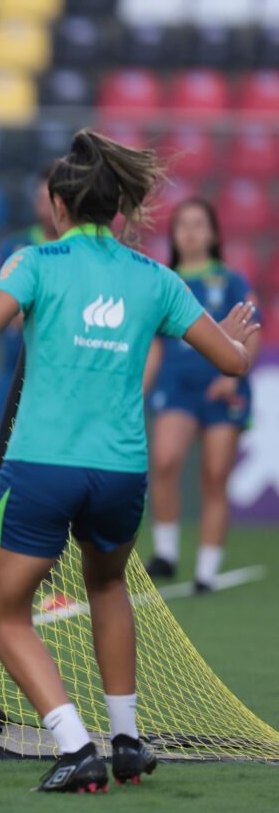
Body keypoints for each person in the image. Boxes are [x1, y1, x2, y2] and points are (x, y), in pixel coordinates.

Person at [0, 130, 258, 792]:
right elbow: (233, 362)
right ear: (118, 210)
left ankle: (74, 744)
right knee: (107, 586)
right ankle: (126, 738)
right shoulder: (157, 278)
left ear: (61, 207)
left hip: (42, 467)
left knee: (3, 609)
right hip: (122, 473)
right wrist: (240, 342)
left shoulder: (34, 262)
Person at [143, 198, 261, 593]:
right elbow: (156, 344)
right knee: (164, 460)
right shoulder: (163, 280)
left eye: (199, 224)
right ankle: (165, 554)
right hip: (177, 385)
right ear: (174, 234)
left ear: (213, 233)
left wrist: (234, 373)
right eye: (183, 224)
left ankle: (207, 573)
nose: (190, 231)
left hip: (223, 388)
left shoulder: (230, 280)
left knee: (214, 476)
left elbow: (252, 329)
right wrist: (140, 388)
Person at [0, 167, 59, 547]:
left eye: (51, 197)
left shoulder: (79, 254)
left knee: (54, 473)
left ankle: (53, 563)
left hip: (60, 381)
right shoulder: (13, 249)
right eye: (39, 197)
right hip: (13, 376)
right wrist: (3, 313)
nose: (44, 204)